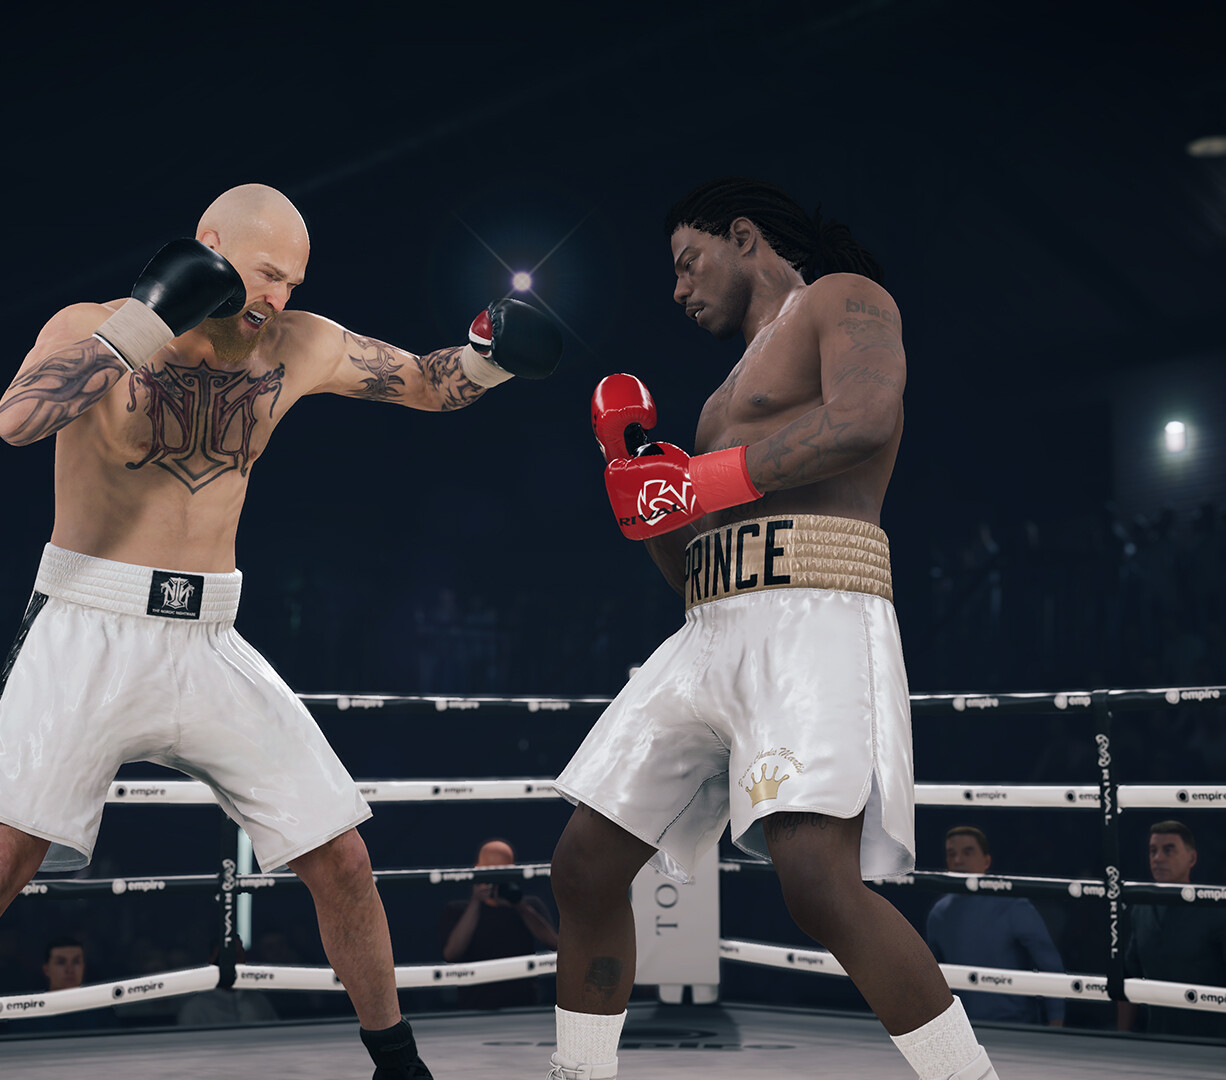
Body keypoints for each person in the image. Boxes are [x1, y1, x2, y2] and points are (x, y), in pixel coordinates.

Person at [0, 183, 561, 1080]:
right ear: (208, 244)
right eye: (267, 272)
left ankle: (400, 1068)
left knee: (343, 856)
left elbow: (428, 385)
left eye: (294, 281)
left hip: (210, 635)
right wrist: (147, 316)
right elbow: (16, 420)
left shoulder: (298, 343)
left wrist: (490, 357)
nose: (276, 296)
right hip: (87, 622)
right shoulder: (94, 324)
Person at [549, 176, 995, 1080]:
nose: (678, 289)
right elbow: (691, 570)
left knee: (817, 881)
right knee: (585, 864)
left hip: (814, 609)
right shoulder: (719, 401)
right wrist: (641, 487)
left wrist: (702, 480)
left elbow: (863, 421)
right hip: (710, 629)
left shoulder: (844, 299)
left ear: (745, 236)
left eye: (689, 262)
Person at [1118, 821, 1226, 1041]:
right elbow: (1130, 975)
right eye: (1153, 851)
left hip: (1209, 1042)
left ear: (1191, 858)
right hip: (1157, 1040)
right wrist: (1122, 1036)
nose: (1158, 858)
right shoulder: (1141, 910)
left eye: (1168, 850)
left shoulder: (1219, 911)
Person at [923, 827, 1065, 1027]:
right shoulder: (939, 913)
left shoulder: (1013, 906)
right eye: (951, 854)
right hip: (962, 1027)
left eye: (968, 852)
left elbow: (1049, 964)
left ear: (986, 861)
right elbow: (932, 977)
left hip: (1015, 1025)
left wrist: (1056, 1020)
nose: (958, 860)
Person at [439, 839, 560, 1009]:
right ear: (477, 870)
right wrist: (476, 902)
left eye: (503, 873)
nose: (496, 881)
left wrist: (519, 906)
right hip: (474, 1007)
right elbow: (451, 954)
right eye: (491, 873)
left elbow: (555, 944)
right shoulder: (457, 910)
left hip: (524, 1006)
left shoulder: (530, 906)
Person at [175, 939, 279, 1027]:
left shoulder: (258, 1001)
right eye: (227, 957)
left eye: (238, 956)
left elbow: (275, 1036)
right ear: (213, 961)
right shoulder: (195, 1009)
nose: (233, 962)